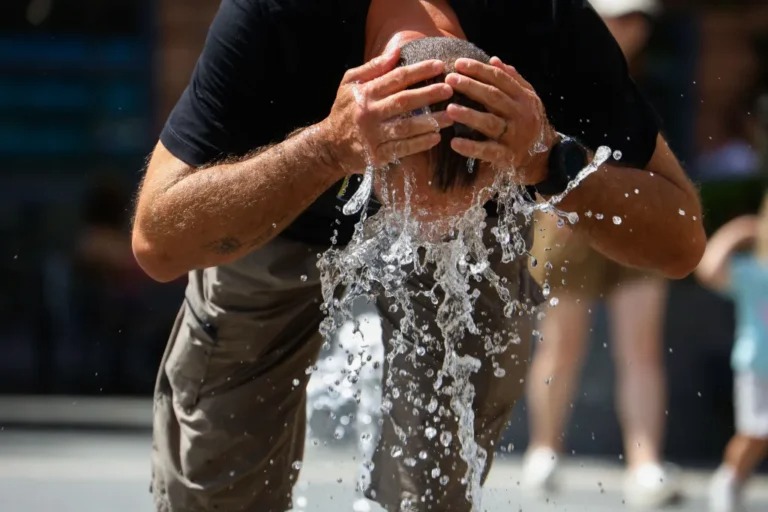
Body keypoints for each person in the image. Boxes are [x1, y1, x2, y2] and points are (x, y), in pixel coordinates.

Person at [131, 0, 705, 510]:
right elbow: (156, 243)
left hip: (491, 222)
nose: (430, 231)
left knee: (433, 487)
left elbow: (682, 243)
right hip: (282, 210)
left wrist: (548, 161)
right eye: (411, 199)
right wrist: (324, 149)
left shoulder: (547, 24)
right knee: (219, 482)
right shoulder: (276, 18)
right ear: (377, 156)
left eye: (466, 199)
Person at [521, 1, 682, 508]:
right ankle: (544, 449)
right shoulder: (560, 70)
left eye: (637, 19)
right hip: (567, 224)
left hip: (641, 224)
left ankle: (644, 461)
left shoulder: (660, 83)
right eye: (619, 16)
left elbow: (675, 168)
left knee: (642, 348)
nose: (628, 28)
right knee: (561, 344)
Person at [695, 206, 768, 512]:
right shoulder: (755, 273)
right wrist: (737, 231)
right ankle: (730, 478)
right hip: (758, 370)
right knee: (755, 434)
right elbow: (709, 270)